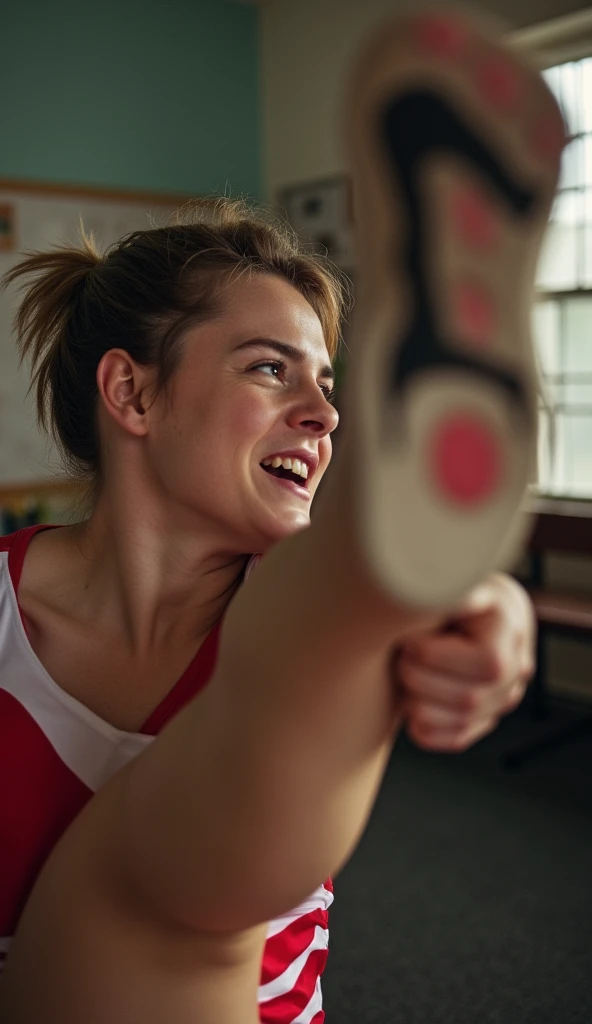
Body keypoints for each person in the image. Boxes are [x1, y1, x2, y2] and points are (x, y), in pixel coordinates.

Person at [0, 9, 563, 1023]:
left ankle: (388, 545)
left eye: (335, 381)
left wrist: (486, 605)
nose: (325, 411)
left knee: (306, 643)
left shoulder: (290, 610)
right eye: (270, 368)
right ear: (130, 395)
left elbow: (379, 598)